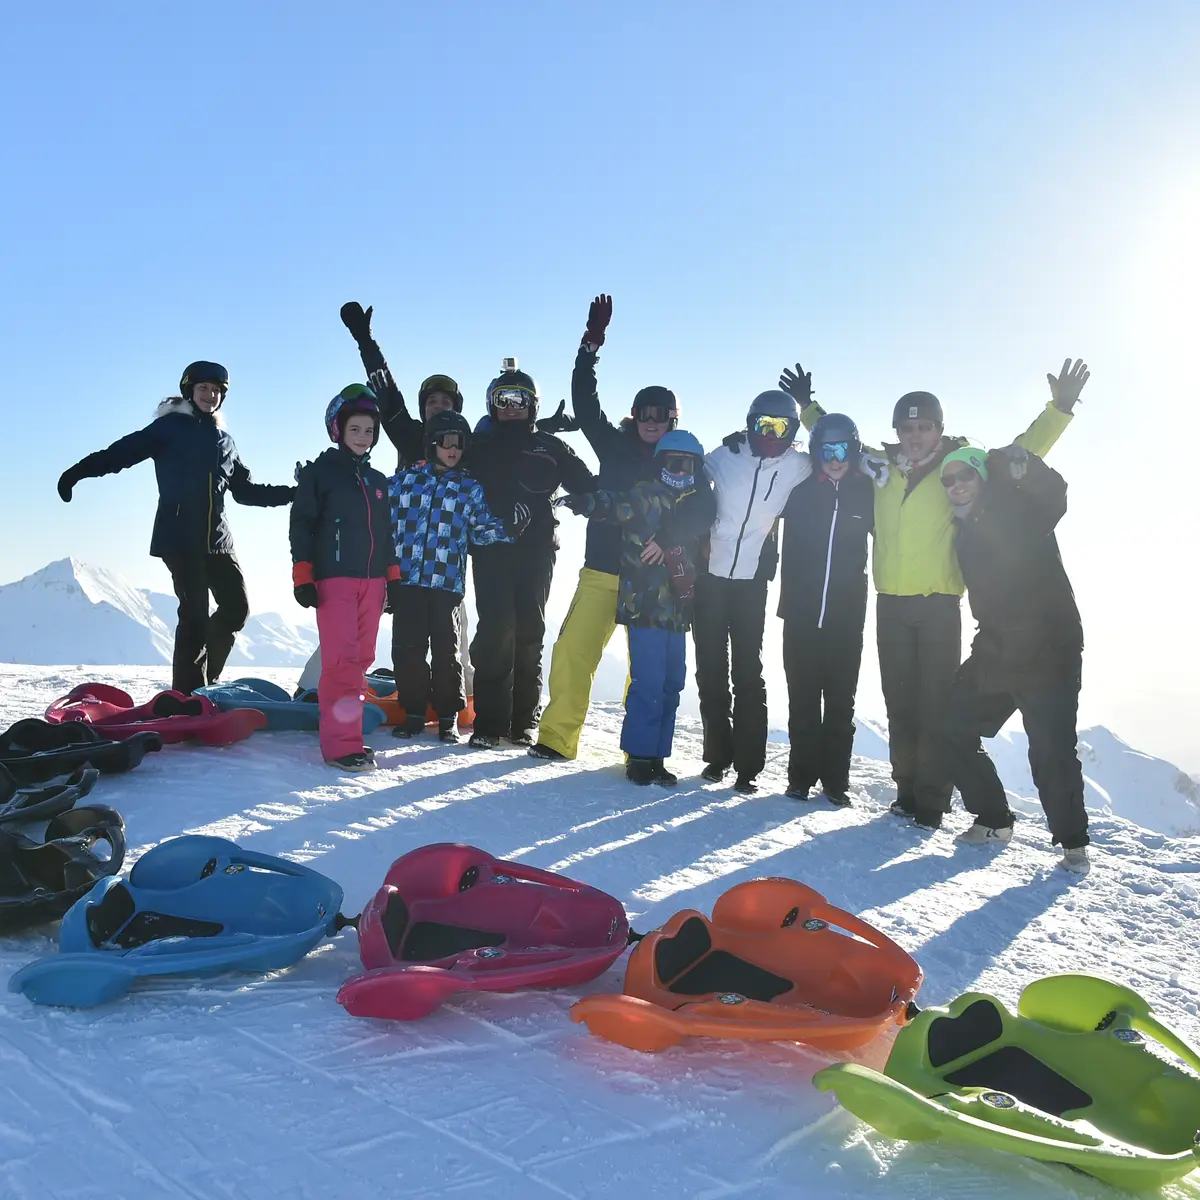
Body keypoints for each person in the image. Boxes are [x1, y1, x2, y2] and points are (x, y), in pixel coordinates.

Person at [790, 358, 1089, 829]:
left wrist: (1060, 408)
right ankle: (906, 791)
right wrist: (808, 407)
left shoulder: (961, 468)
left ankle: (932, 801)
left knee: (935, 704)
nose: (915, 434)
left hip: (939, 606)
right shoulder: (879, 466)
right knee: (899, 703)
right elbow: (838, 442)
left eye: (924, 426)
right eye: (907, 427)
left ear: (939, 429)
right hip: (889, 604)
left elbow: (1024, 450)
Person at [55, 361, 294, 694]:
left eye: (216, 391)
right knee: (195, 615)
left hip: (218, 540)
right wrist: (77, 473)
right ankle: (186, 695)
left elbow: (246, 491)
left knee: (236, 609)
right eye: (203, 389)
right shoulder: (169, 429)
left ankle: (205, 683)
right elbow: (120, 453)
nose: (210, 395)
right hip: (179, 537)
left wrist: (294, 494)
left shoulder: (226, 443)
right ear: (189, 391)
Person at [531, 294, 685, 761]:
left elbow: (700, 507)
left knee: (647, 669)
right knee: (574, 652)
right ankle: (557, 739)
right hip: (602, 569)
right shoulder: (614, 446)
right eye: (645, 414)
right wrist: (590, 345)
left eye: (661, 416)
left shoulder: (682, 461)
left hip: (652, 576)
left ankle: (638, 751)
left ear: (673, 420)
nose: (651, 423)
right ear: (634, 416)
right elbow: (584, 398)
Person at [938, 445, 1089, 873]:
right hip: (999, 648)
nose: (957, 485)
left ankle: (1074, 845)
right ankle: (994, 820)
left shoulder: (1017, 508)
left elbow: (1055, 497)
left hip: (1049, 649)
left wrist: (1027, 465)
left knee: (1051, 748)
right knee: (952, 724)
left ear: (982, 478)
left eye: (964, 475)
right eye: (948, 480)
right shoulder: (962, 530)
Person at [557, 431, 715, 784]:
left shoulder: (696, 503)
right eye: (672, 462)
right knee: (649, 681)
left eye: (687, 464)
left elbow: (704, 521)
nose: (679, 470)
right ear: (660, 464)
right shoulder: (649, 496)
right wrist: (586, 502)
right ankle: (640, 755)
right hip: (644, 606)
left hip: (677, 611)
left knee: (672, 683)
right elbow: (615, 504)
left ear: (697, 468)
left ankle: (658, 756)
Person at [466, 360, 598, 749]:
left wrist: (589, 498)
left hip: (537, 551)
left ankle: (522, 721)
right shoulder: (479, 448)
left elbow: (587, 481)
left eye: (519, 398)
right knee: (494, 631)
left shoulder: (551, 447)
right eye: (502, 399)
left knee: (529, 631)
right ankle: (489, 723)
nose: (511, 406)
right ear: (491, 404)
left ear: (533, 404)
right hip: (490, 552)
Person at [388, 410, 529, 743]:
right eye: (445, 442)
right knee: (408, 649)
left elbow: (480, 531)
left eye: (459, 444)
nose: (452, 449)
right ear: (430, 444)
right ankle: (413, 713)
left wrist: (508, 529)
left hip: (446, 583)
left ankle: (449, 716)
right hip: (407, 580)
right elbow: (376, 508)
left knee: (446, 652)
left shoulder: (469, 488)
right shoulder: (405, 482)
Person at [698, 390, 812, 792]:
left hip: (751, 582)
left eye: (780, 427)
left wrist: (810, 406)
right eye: (762, 424)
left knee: (748, 672)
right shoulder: (725, 456)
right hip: (709, 577)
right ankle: (717, 757)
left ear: (793, 430)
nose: (770, 434)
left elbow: (841, 455)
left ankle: (748, 767)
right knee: (710, 669)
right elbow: (685, 471)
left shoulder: (798, 465)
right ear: (749, 424)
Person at [290, 385, 399, 771]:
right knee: (339, 662)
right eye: (355, 429)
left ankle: (350, 737)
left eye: (369, 431)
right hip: (334, 579)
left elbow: (386, 535)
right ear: (338, 430)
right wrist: (303, 574)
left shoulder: (378, 481)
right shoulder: (320, 474)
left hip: (373, 582)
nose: (363, 437)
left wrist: (393, 577)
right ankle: (340, 746)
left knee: (362, 660)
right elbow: (301, 526)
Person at [778, 413, 877, 805]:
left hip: (846, 614)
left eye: (844, 450)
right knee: (802, 698)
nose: (835, 459)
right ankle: (800, 777)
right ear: (816, 452)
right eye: (826, 450)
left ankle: (836, 782)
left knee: (840, 702)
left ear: (854, 450)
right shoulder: (800, 490)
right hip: (800, 614)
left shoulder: (867, 491)